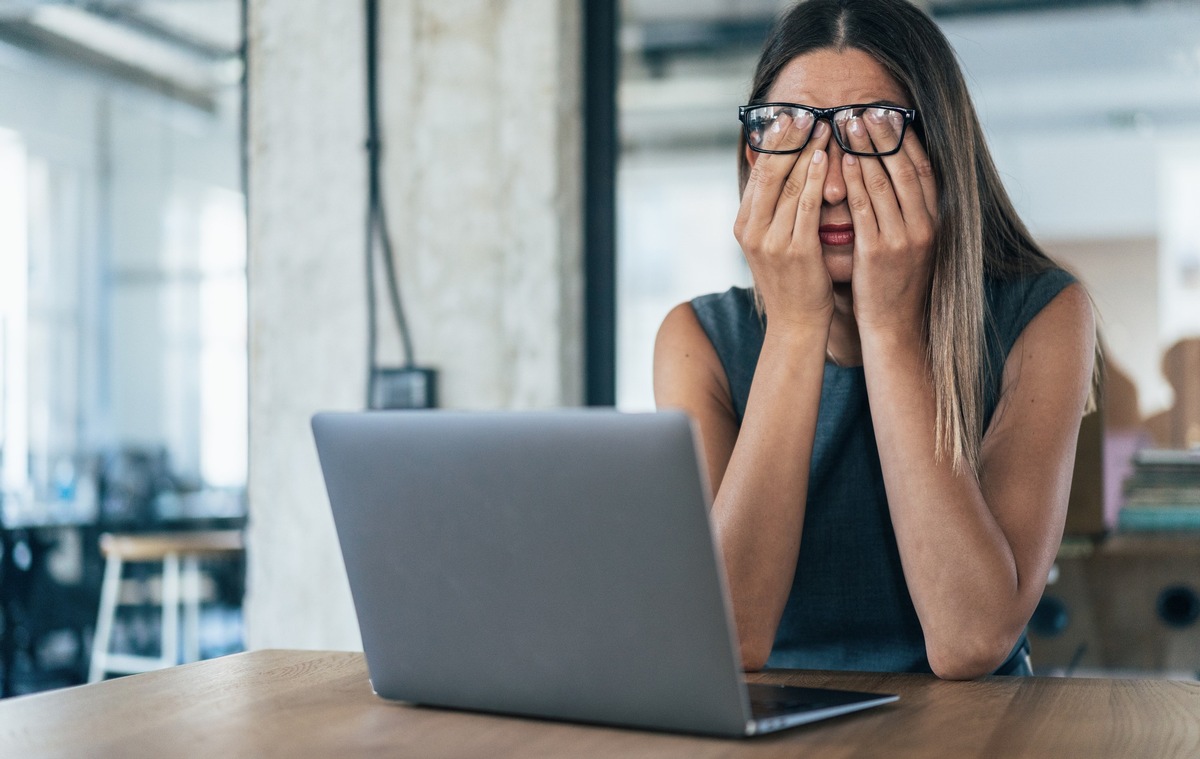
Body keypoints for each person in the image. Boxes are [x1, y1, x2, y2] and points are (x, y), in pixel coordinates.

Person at [652, 0, 1098, 679]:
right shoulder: (699, 341)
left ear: (941, 152)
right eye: (793, 131)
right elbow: (726, 638)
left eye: (874, 130)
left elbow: (972, 638)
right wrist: (797, 328)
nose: (831, 183)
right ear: (754, 153)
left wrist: (888, 326)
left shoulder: (1045, 315)